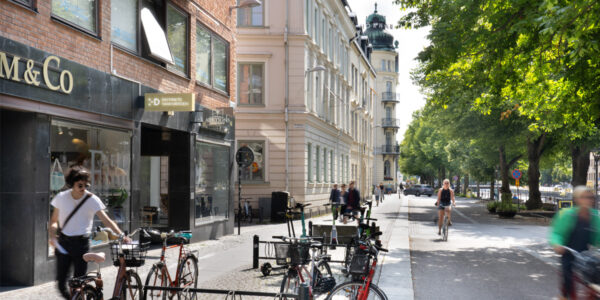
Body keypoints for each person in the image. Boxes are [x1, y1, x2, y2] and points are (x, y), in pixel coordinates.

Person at [48, 168, 131, 299]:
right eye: (80, 185)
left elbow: (107, 220)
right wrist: (52, 235)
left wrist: (121, 234)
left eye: (86, 185)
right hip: (63, 244)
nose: (83, 188)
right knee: (61, 284)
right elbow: (53, 221)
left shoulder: (92, 199)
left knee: (78, 282)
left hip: (81, 244)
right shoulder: (61, 198)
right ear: (72, 184)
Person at [549, 186, 600, 300]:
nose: (588, 200)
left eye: (590, 197)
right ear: (577, 199)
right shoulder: (567, 214)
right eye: (584, 197)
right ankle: (565, 296)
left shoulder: (595, 215)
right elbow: (557, 233)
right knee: (568, 277)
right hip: (568, 251)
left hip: (585, 253)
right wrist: (557, 244)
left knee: (596, 274)